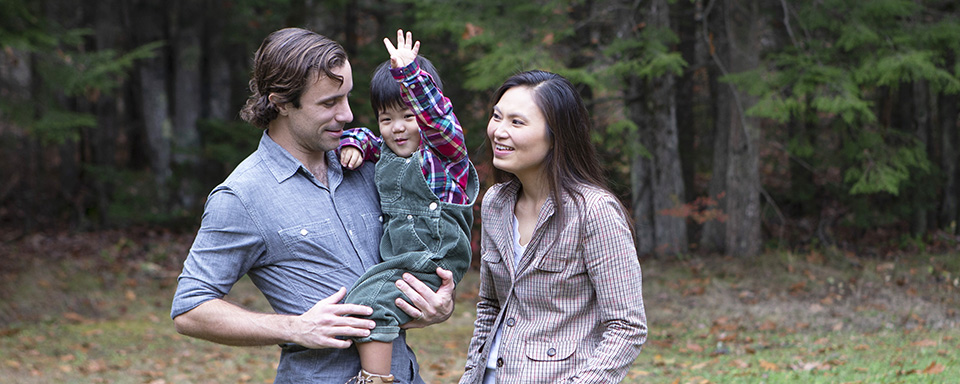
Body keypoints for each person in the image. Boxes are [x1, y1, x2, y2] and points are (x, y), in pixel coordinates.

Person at [170, 27, 455, 384]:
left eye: (347, 97)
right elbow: (190, 308)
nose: (348, 115)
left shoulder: (369, 164)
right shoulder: (242, 196)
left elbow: (414, 251)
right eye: (329, 103)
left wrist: (437, 304)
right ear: (282, 103)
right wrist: (294, 327)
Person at [459, 71, 647, 384]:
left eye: (517, 122)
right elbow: (490, 306)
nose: (499, 131)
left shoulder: (594, 212)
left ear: (556, 135)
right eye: (496, 117)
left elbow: (627, 327)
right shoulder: (495, 203)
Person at [337, 30, 478, 383]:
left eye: (408, 117)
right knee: (364, 298)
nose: (397, 129)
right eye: (387, 119)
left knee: (369, 302)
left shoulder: (443, 158)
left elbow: (440, 125)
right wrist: (353, 143)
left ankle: (375, 379)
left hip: (435, 256)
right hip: (404, 258)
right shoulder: (386, 149)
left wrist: (411, 76)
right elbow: (367, 136)